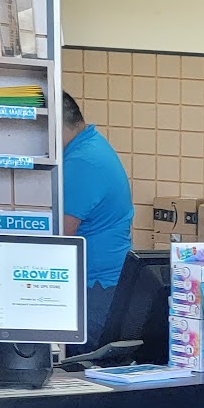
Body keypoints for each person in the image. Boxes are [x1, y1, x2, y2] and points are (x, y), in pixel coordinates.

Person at [61, 91, 133, 348]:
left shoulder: (82, 162)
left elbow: (57, 240)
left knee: (78, 366)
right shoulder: (91, 144)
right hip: (108, 286)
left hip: (96, 291)